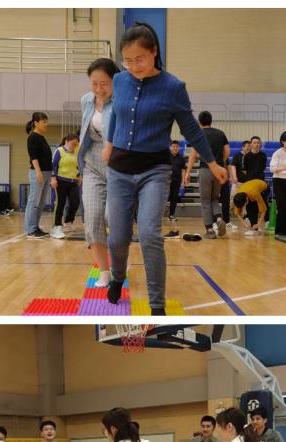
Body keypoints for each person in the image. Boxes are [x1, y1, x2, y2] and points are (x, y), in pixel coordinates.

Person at [102, 24, 228, 315]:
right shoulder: (120, 81)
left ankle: (157, 305)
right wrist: (109, 142)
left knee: (149, 234)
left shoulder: (173, 87)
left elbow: (191, 129)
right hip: (119, 170)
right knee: (117, 237)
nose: (133, 66)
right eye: (127, 60)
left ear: (154, 52)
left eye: (140, 59)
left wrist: (212, 162)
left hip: (154, 171)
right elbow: (117, 113)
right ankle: (118, 277)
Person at [78, 58, 120, 286]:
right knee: (93, 218)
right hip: (92, 163)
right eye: (94, 83)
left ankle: (120, 263)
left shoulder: (122, 100)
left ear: (115, 81)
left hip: (118, 165)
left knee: (112, 217)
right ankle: (104, 270)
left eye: (104, 83)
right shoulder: (86, 100)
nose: (98, 89)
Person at [182, 111, 231, 239]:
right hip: (218, 171)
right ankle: (219, 219)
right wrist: (220, 164)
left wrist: (188, 173)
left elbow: (193, 155)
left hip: (205, 170)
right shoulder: (220, 133)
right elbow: (227, 151)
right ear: (211, 120)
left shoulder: (198, 134)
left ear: (199, 122)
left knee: (205, 200)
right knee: (214, 198)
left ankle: (209, 230)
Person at [24, 112, 54, 238]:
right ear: (36, 123)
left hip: (46, 173)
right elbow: (33, 156)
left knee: (41, 203)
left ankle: (35, 227)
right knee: (34, 201)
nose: (46, 124)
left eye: (47, 121)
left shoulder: (42, 137)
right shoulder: (33, 137)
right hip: (38, 172)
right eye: (44, 122)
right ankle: (30, 229)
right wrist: (38, 171)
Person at [51, 133, 82, 239]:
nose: (75, 146)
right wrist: (53, 178)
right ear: (66, 141)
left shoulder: (76, 152)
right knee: (60, 204)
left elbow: (78, 165)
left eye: (76, 144)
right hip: (60, 181)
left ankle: (68, 221)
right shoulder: (59, 151)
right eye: (73, 144)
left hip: (73, 182)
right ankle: (57, 226)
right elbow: (53, 165)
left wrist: (79, 176)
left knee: (75, 202)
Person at [166, 141, 186, 224]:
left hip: (176, 181)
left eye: (177, 146)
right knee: (163, 199)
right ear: (170, 147)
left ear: (179, 148)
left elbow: (183, 170)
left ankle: (171, 215)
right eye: (173, 146)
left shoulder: (181, 158)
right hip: (166, 182)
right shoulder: (166, 157)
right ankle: (158, 215)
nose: (175, 148)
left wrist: (183, 181)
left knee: (174, 199)